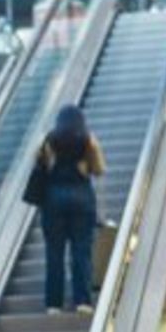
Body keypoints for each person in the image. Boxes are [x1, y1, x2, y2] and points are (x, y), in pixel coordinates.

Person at [22, 104, 106, 314]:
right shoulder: (88, 141)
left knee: (54, 253)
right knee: (81, 252)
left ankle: (53, 304)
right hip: (82, 199)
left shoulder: (49, 141)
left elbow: (38, 165)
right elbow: (99, 170)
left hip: (53, 201)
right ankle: (83, 301)